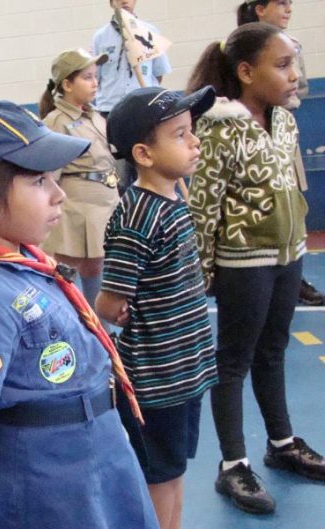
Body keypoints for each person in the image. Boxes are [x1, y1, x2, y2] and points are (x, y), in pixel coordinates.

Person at [0, 100, 159, 529]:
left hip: (94, 452)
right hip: (42, 479)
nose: (59, 192)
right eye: (38, 181)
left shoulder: (27, 261)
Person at [186, 22, 325, 515]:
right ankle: (232, 465)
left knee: (273, 351)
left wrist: (298, 245)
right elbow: (203, 208)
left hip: (288, 256)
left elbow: (289, 185)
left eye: (294, 64)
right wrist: (200, 277)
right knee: (233, 361)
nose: (294, 76)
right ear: (246, 72)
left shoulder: (284, 122)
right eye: (282, 65)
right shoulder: (218, 128)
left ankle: (281, 444)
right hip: (243, 264)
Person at [95, 86, 219, 529]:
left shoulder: (172, 198)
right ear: (144, 154)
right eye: (181, 134)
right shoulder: (137, 216)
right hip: (156, 378)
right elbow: (109, 303)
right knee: (158, 477)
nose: (195, 142)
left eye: (192, 132)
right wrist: (127, 310)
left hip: (184, 370)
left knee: (174, 471)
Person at [236, 0, 324, 306]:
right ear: (260, 9)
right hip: (254, 138)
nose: (288, 9)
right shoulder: (241, 47)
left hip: (284, 130)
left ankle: (292, 275)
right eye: (281, 3)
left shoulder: (293, 44)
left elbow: (300, 91)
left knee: (293, 202)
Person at [38, 48, 119, 316]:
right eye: (87, 77)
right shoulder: (56, 122)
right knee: (65, 272)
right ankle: (68, 325)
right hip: (76, 210)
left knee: (96, 269)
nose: (95, 83)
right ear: (67, 84)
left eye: (95, 76)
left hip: (104, 204)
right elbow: (48, 176)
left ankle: (100, 332)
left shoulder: (95, 116)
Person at [92, 0, 171, 195]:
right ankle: (119, 207)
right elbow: (96, 77)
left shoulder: (148, 31)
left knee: (144, 163)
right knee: (116, 168)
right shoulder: (100, 37)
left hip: (143, 111)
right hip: (110, 110)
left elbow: (158, 73)